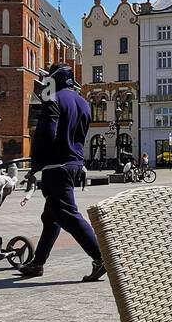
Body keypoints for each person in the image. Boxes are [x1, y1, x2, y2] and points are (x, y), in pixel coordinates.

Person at [17, 65, 106, 281]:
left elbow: (48, 133)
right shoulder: (83, 102)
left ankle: (101, 257)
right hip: (75, 163)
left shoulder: (53, 98)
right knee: (51, 217)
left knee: (67, 214)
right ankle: (37, 263)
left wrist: (37, 162)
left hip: (56, 166)